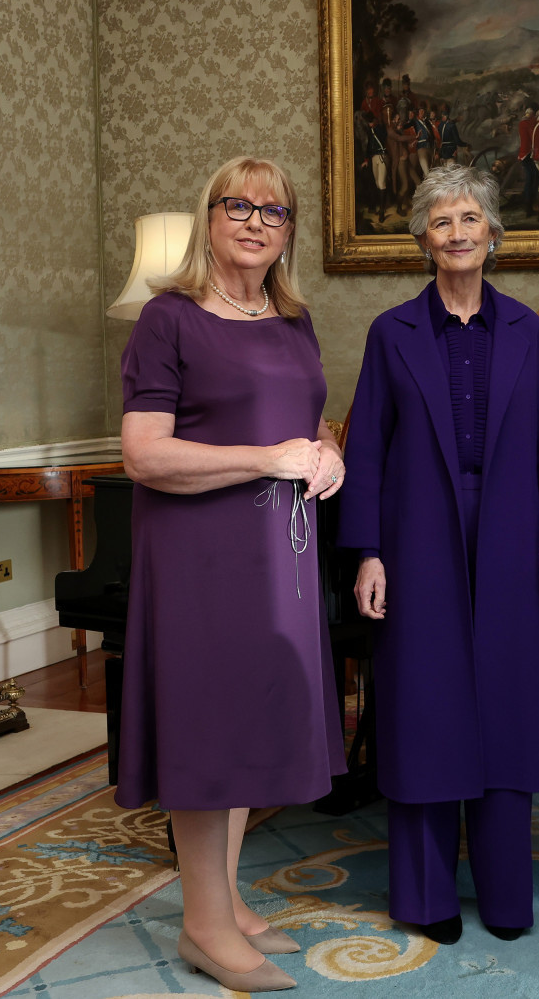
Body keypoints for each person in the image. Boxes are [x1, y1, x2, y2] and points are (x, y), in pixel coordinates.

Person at [117, 156, 348, 993]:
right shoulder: (166, 319)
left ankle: (227, 898)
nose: (255, 221)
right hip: (198, 555)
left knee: (253, 719)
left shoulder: (293, 319)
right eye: (237, 205)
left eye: (274, 211)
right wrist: (268, 457)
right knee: (209, 726)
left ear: (289, 232)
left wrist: (328, 454)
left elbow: (306, 421)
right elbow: (143, 453)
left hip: (280, 553)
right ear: (207, 217)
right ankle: (204, 925)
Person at [339, 163, 539, 945]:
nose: (457, 232)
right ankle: (424, 895)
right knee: (423, 707)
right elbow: (367, 450)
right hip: (416, 535)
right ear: (422, 240)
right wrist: (368, 552)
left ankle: (507, 895)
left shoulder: (527, 330)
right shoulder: (391, 332)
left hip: (508, 528)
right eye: (441, 221)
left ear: (493, 235)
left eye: (470, 218)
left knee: (506, 705)